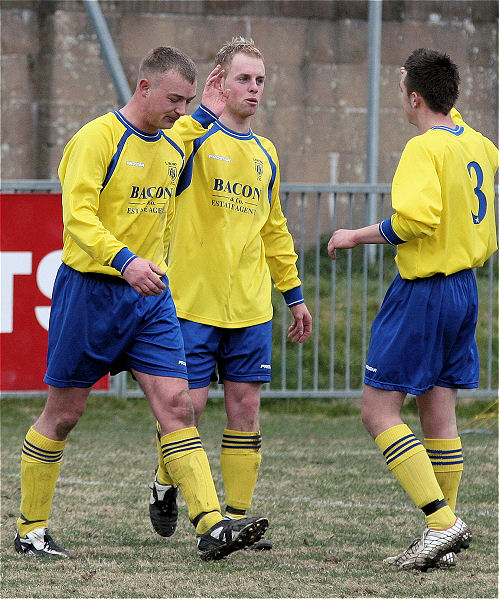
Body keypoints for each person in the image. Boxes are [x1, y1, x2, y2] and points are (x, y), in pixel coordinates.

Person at [14, 46, 268, 562]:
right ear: (143, 86)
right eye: (173, 98)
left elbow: (183, 177)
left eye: (188, 101)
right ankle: (30, 529)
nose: (179, 109)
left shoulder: (175, 146)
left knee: (178, 405)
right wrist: (125, 259)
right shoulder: (97, 138)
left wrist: (148, 267)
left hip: (149, 298)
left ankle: (212, 524)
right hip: (90, 292)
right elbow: (79, 218)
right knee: (64, 415)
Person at [328, 48, 498, 571]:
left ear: (415, 97)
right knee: (438, 413)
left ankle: (443, 524)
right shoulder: (479, 144)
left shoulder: (423, 148)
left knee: (378, 411)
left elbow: (415, 221)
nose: (401, 94)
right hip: (464, 289)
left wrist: (355, 235)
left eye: (402, 85)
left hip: (423, 291)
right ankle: (439, 537)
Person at [148, 37, 312, 551]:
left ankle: (235, 520)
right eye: (244, 78)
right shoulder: (191, 136)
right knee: (186, 409)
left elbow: (274, 229)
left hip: (248, 306)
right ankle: (163, 482)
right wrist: (203, 109)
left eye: (261, 81)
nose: (255, 89)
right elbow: (171, 150)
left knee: (245, 408)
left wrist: (294, 293)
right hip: (191, 303)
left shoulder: (266, 153)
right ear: (219, 81)